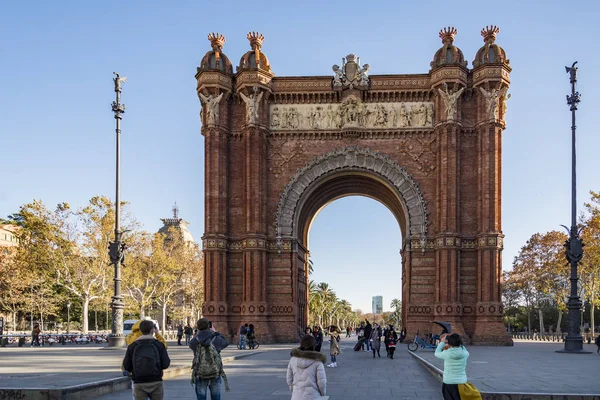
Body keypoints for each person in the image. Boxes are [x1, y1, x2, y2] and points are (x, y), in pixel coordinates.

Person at [123, 320, 171, 400]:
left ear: (141, 330)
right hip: (156, 381)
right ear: (152, 330)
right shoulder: (159, 345)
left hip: (139, 382)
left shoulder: (132, 346)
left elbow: (127, 366)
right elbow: (165, 364)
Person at [189, 318, 230, 399]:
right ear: (209, 326)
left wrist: (196, 335)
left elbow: (191, 345)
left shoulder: (195, 340)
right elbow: (226, 342)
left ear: (198, 327)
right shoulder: (215, 339)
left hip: (200, 372)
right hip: (215, 372)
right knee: (216, 396)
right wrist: (216, 332)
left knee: (201, 397)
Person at [286, 334, 327, 400]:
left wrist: (293, 389)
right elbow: (321, 382)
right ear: (313, 345)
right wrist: (323, 393)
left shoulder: (293, 359)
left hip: (296, 396)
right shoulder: (318, 362)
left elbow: (289, 378)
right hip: (313, 395)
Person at [434, 333, 470, 400]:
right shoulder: (465, 353)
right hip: (461, 383)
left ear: (449, 343)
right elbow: (463, 348)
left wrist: (442, 342)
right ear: (460, 342)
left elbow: (436, 353)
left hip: (448, 382)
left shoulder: (446, 353)